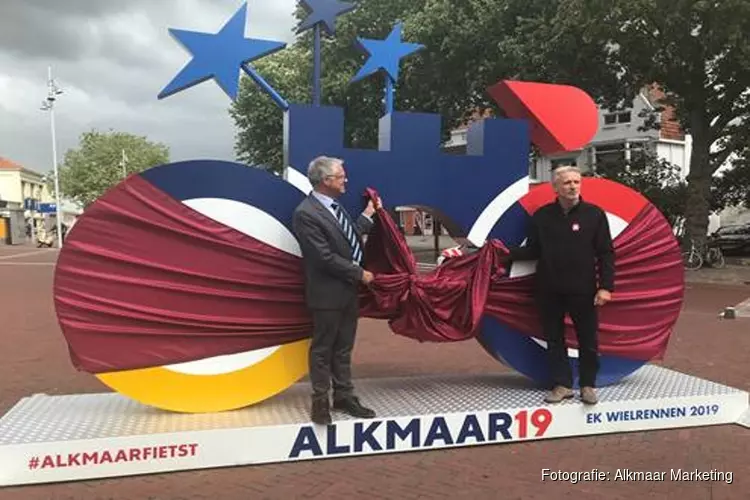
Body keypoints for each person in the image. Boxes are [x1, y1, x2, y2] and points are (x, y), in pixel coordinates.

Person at [507, 166, 614, 405]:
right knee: (554, 339)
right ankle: (563, 385)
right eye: (567, 183)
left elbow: (606, 253)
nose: (573, 186)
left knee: (588, 339)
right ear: (555, 187)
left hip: (584, 290)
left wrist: (606, 287)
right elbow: (533, 250)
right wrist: (499, 253)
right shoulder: (542, 216)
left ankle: (588, 385)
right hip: (549, 289)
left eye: (577, 182)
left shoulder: (594, 214)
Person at [292, 156, 382, 425]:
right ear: (326, 180)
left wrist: (367, 217)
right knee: (323, 349)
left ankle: (344, 396)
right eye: (341, 176)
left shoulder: (335, 207)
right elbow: (323, 257)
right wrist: (360, 273)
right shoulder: (305, 213)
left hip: (347, 292)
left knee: (343, 348)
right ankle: (320, 402)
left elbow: (349, 237)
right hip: (327, 293)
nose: (346, 180)